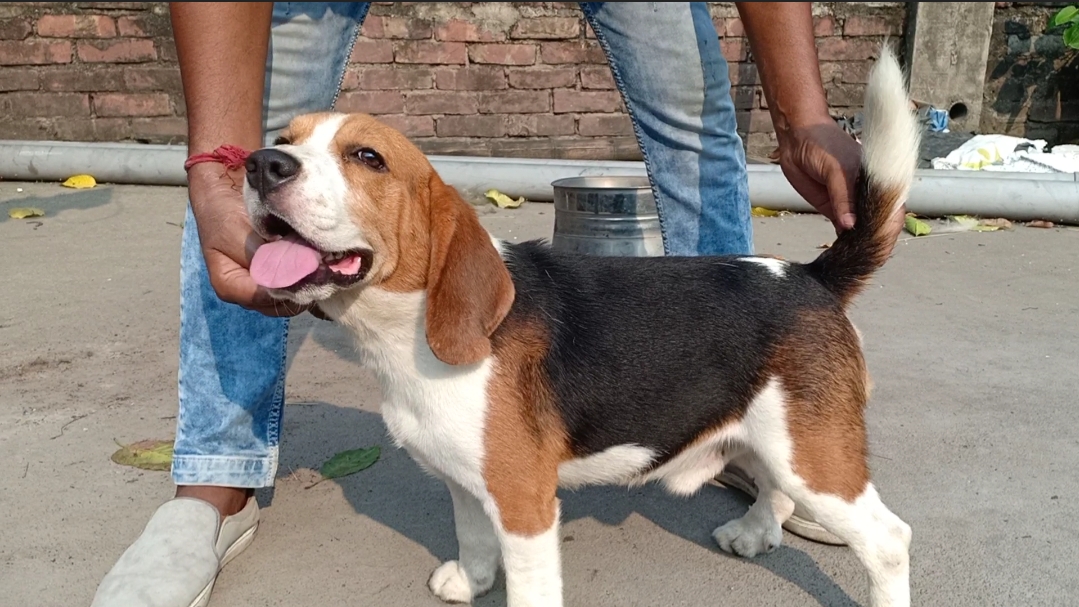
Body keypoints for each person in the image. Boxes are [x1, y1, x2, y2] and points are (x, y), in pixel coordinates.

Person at [92, 3, 869, 605]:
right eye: (289, 146)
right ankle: (219, 471)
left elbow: (525, 501)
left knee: (692, 114)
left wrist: (803, 114)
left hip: (768, 334)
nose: (277, 161)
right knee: (460, 457)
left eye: (361, 157)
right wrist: (213, 167)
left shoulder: (472, 306)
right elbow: (470, 468)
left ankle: (760, 455)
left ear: (440, 228)